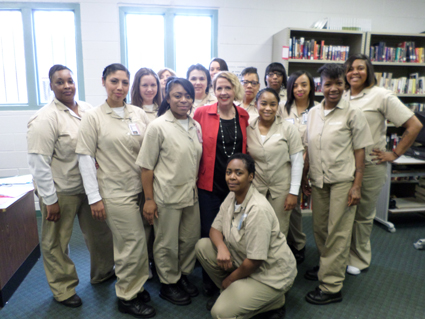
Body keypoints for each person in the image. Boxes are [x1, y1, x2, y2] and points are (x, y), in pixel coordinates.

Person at [27, 64, 114, 308]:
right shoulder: (45, 119)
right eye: (59, 82)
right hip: (61, 191)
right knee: (56, 242)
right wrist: (50, 200)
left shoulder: (87, 110)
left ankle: (104, 272)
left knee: (101, 234)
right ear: (51, 85)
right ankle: (64, 290)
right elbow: (38, 162)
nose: (66, 86)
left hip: (91, 189)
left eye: (69, 81)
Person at [76, 63, 155, 318]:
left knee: (140, 241)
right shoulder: (93, 117)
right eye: (114, 81)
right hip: (114, 191)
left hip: (140, 189)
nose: (119, 87)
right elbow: (85, 159)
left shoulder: (137, 114)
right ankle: (126, 296)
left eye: (124, 82)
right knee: (130, 243)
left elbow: (148, 152)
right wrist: (94, 198)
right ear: (103, 82)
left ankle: (137, 283)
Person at [344, 54, 423, 275]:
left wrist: (395, 153)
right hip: (344, 166)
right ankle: (341, 255)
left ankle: (358, 259)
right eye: (350, 68)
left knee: (362, 215)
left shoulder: (381, 96)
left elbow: (414, 125)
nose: (354, 72)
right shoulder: (342, 96)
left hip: (369, 165)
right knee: (343, 214)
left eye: (360, 68)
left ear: (368, 70)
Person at [302, 63, 372, 305]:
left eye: (338, 83)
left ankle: (331, 286)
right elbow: (309, 148)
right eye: (328, 84)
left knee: (338, 232)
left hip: (343, 181)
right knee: (320, 229)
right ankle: (327, 266)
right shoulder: (312, 113)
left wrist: (357, 185)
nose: (333, 89)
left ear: (345, 84)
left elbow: (360, 151)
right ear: (320, 86)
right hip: (319, 181)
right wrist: (305, 176)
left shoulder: (353, 113)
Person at [195, 153, 297, 319]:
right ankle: (238, 294)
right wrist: (221, 248)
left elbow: (255, 261)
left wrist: (229, 280)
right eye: (229, 172)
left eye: (238, 173)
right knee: (203, 246)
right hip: (244, 262)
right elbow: (214, 229)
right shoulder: (232, 196)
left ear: (251, 176)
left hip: (268, 275)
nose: (232, 177)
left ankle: (275, 300)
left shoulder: (258, 209)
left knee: (219, 313)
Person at [137, 77, 203, 306]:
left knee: (189, 239)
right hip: (165, 195)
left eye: (188, 95)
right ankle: (168, 283)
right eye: (177, 95)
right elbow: (146, 166)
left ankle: (182, 276)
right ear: (167, 97)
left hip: (190, 195)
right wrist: (149, 200)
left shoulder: (196, 125)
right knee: (166, 242)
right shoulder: (158, 126)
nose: (184, 100)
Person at [193, 71, 249, 296]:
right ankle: (211, 283)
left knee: (235, 233)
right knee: (210, 234)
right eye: (219, 88)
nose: (224, 92)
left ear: (235, 89)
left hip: (237, 187)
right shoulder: (201, 113)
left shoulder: (243, 115)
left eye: (228, 88)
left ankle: (234, 277)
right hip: (209, 186)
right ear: (213, 91)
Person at [247, 88, 304, 239]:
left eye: (273, 104)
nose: (268, 108)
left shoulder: (288, 128)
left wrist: (293, 193)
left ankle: (277, 262)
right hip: (256, 187)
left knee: (278, 229)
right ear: (256, 105)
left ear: (278, 106)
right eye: (263, 104)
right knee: (256, 226)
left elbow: (297, 162)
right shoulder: (248, 128)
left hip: (281, 189)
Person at [282, 70, 318, 264]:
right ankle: (286, 242)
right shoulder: (282, 108)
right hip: (284, 164)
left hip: (310, 163)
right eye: (295, 85)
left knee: (296, 206)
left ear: (311, 86)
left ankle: (298, 244)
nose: (299, 89)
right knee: (288, 206)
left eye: (304, 84)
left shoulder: (318, 110)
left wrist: (305, 165)